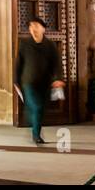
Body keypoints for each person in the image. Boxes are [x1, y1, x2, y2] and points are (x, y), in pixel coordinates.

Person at [14, 17, 65, 145]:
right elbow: (18, 63)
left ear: (43, 28)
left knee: (41, 109)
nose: (33, 29)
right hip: (28, 82)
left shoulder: (50, 45)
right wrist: (15, 81)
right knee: (36, 107)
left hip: (45, 83)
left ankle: (32, 120)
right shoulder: (24, 44)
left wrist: (58, 78)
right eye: (31, 27)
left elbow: (57, 64)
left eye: (36, 26)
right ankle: (36, 135)